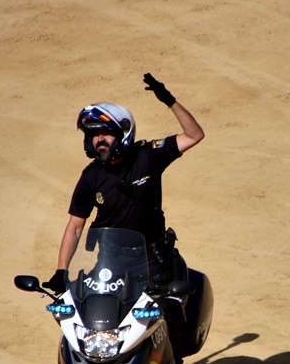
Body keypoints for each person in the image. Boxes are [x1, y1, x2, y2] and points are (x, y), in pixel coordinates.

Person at [43, 73, 204, 295]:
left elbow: (194, 135)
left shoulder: (148, 155)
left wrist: (170, 101)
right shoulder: (91, 176)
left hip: (151, 261)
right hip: (111, 262)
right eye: (94, 134)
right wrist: (61, 271)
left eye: (105, 134)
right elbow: (75, 227)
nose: (99, 139)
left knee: (171, 316)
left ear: (122, 133)